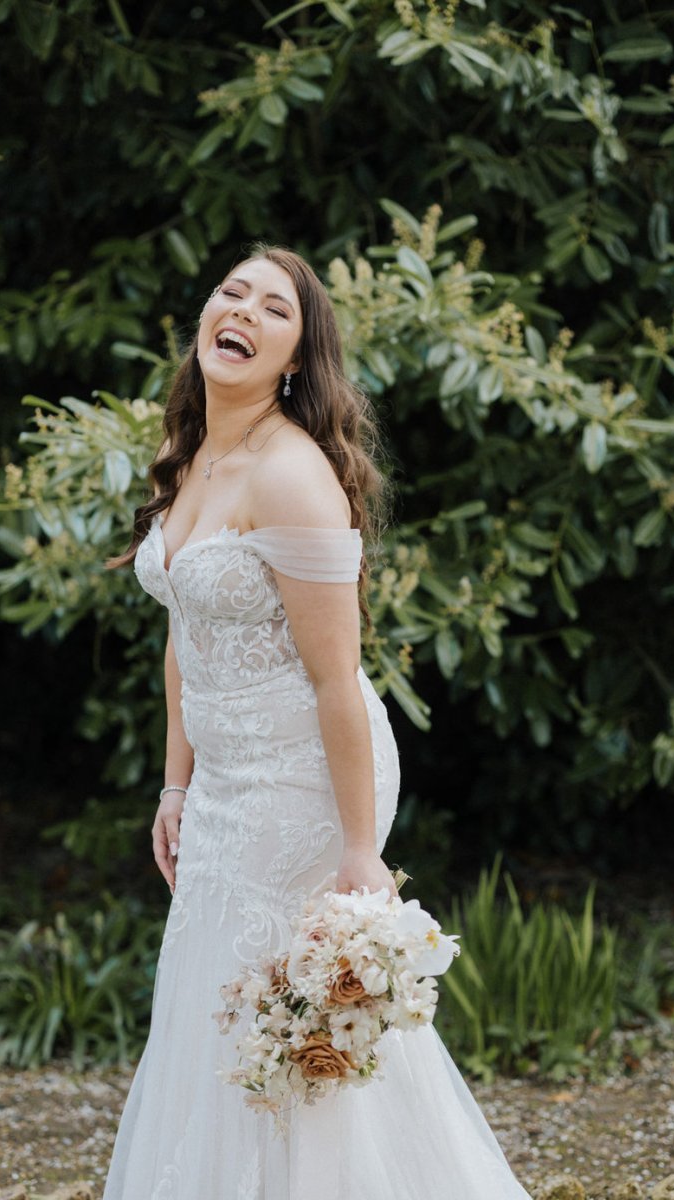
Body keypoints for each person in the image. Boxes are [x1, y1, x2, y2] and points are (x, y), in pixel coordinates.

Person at [102, 245, 532, 1199]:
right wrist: (177, 783)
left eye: (274, 308)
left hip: (307, 782)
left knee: (287, 1028)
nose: (244, 310)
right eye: (231, 292)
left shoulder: (294, 478)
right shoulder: (192, 452)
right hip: (223, 785)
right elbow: (187, 633)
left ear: (295, 359)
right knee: (215, 1009)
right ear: (206, 318)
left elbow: (339, 681)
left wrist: (358, 853)